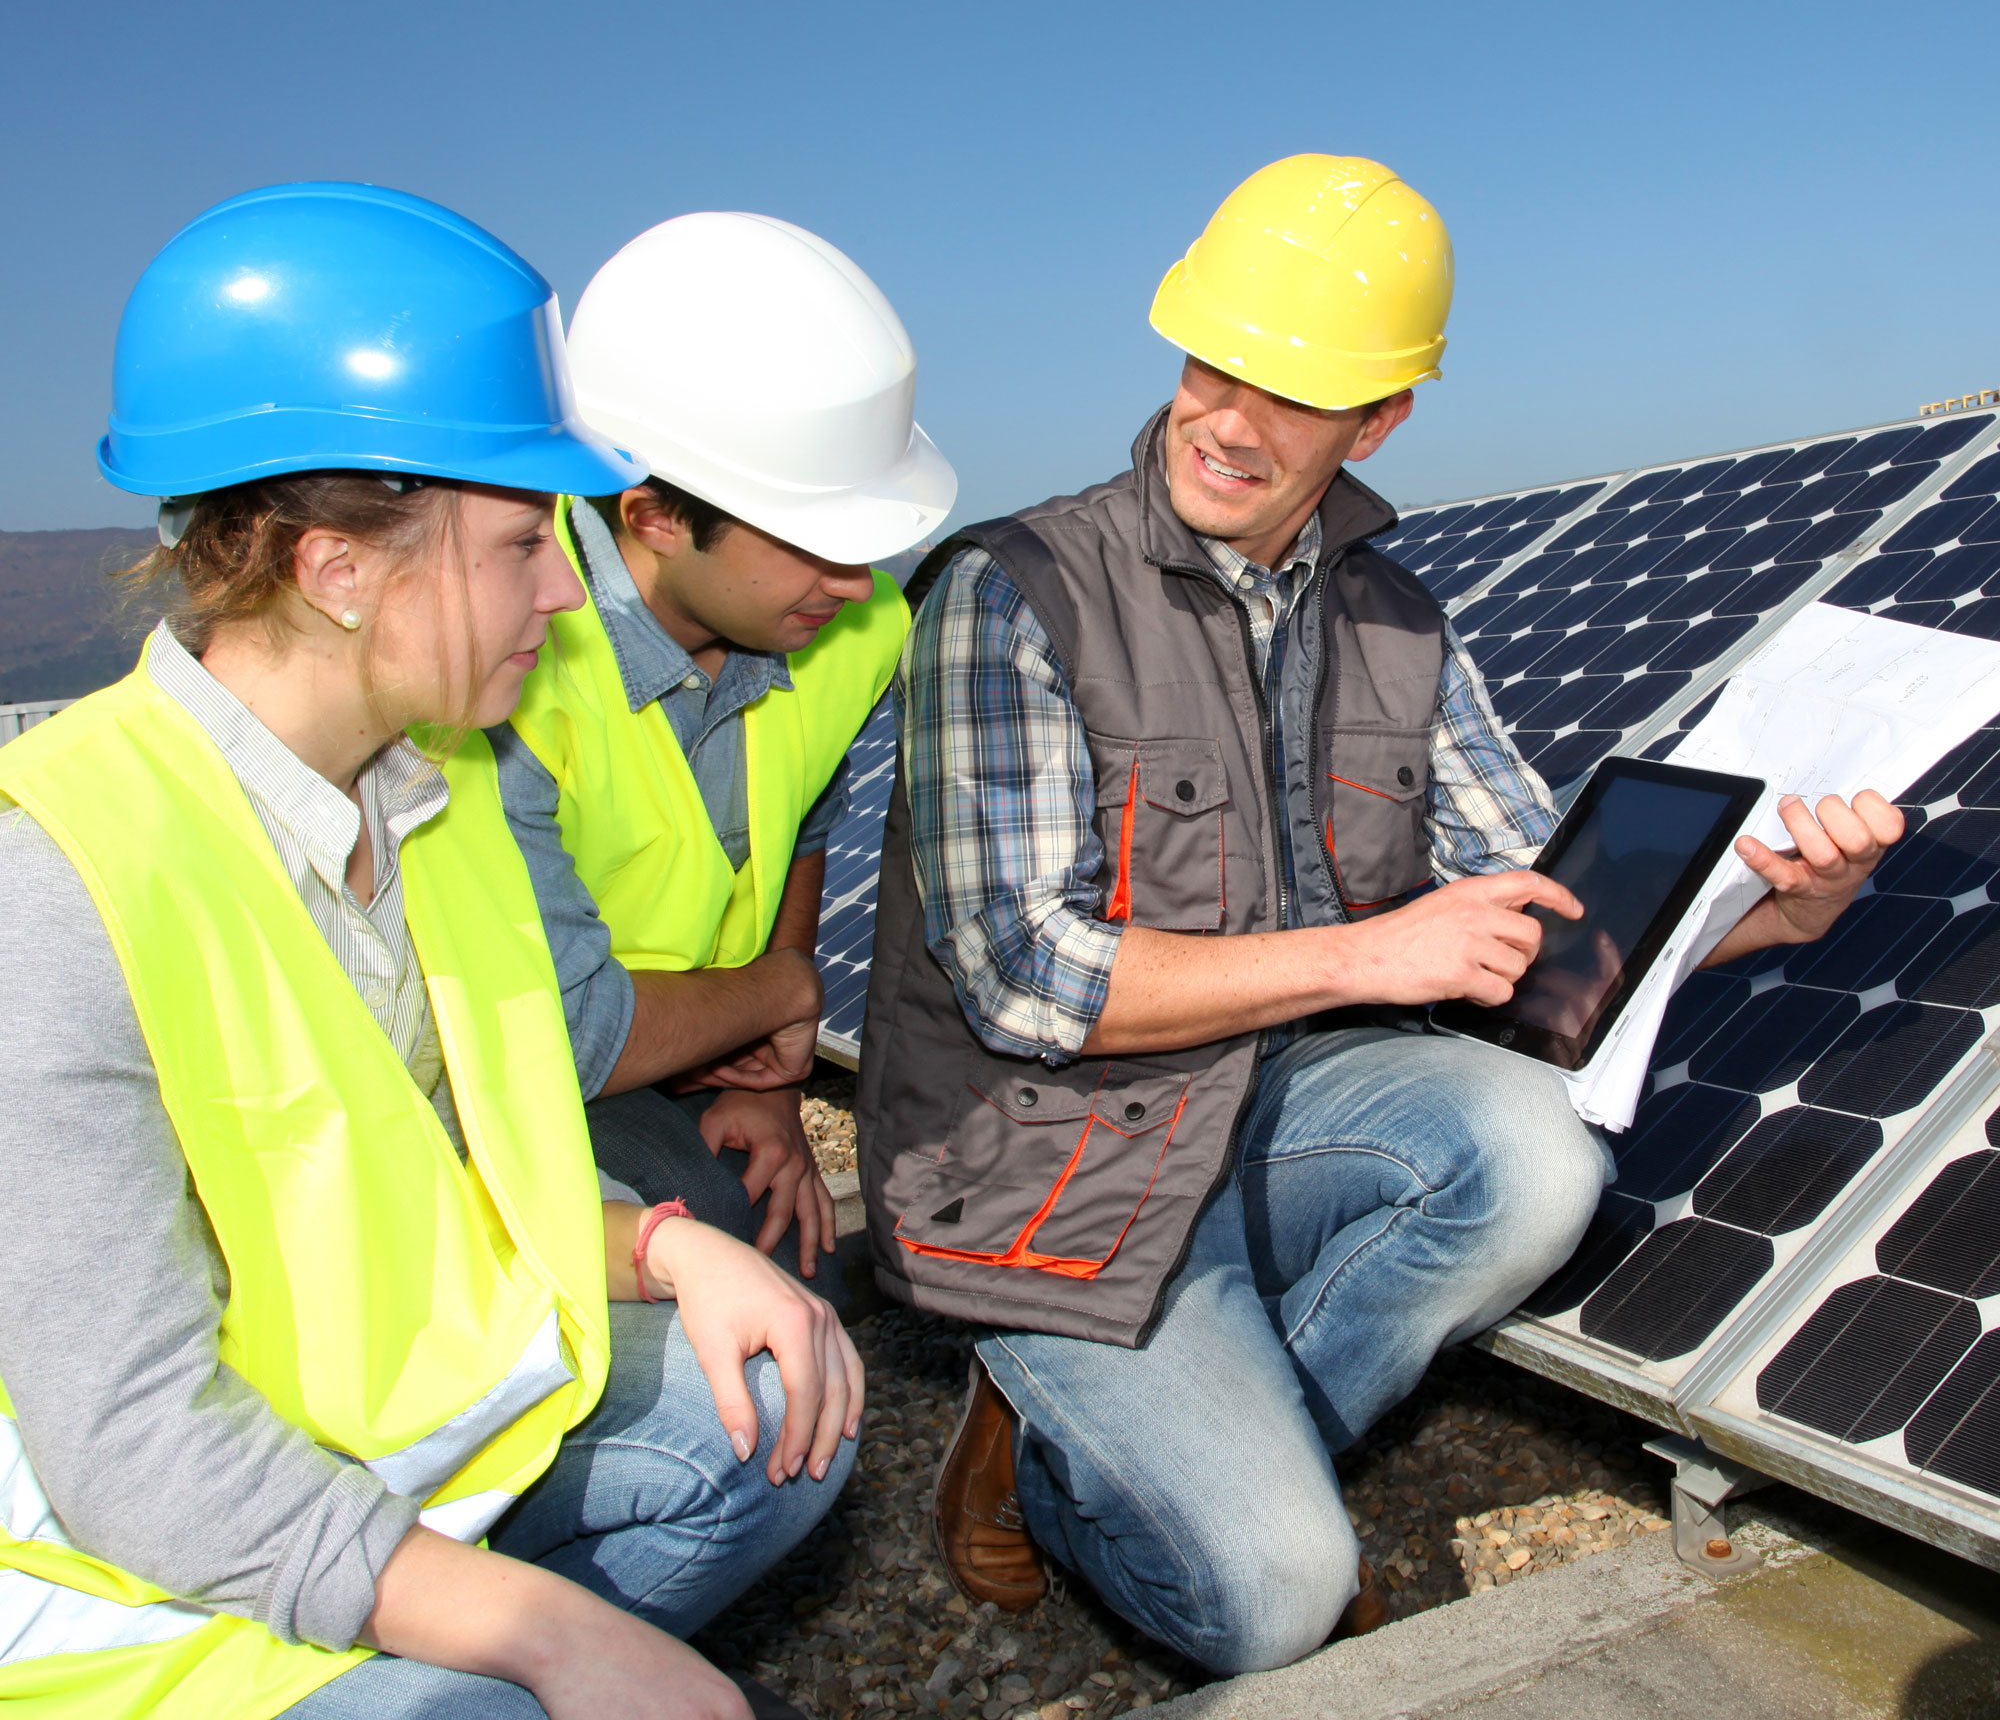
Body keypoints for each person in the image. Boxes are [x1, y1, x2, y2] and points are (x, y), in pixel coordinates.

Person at [855, 154, 1904, 1674]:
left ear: (1381, 418)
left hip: (1277, 1097)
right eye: (1217, 363)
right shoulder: (1014, 593)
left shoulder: (1398, 619)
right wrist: (1365, 953)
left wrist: (1771, 916)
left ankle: (1171, 1435)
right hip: (1050, 1149)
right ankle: (1064, 1450)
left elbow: (1536, 909)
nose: (1230, 417)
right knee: (1278, 1603)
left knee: (1537, 1159)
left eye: (1293, 389)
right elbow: (1022, 980)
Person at [0, 183, 861, 1720]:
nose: (563, 592)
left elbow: (476, 1175)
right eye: (526, 541)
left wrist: (665, 1243)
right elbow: (131, 1442)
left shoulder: (435, 799)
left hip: (363, 1469)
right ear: (337, 570)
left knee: (778, 1404)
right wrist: (544, 1635)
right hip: (133, 1600)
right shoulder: (59, 883)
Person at [489, 212, 955, 1282]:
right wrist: (787, 992)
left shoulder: (850, 628)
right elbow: (562, 1033)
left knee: (788, 1233)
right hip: (497, 1077)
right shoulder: (500, 666)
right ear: (652, 514)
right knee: (704, 1232)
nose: (856, 585)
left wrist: (766, 1080)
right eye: (814, 544)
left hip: (693, 1048)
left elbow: (801, 823)